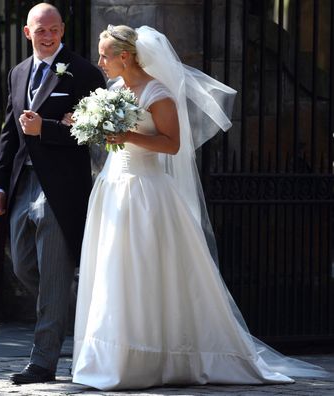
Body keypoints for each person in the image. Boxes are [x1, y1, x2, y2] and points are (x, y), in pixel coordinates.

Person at [70, 25, 327, 390]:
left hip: (146, 192)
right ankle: (113, 357)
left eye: (104, 55)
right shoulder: (114, 91)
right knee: (114, 269)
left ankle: (155, 359)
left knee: (146, 269)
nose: (100, 62)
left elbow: (172, 144)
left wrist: (127, 135)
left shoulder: (157, 93)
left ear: (124, 57)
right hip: (113, 188)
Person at [0, 3, 105, 385]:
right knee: (23, 265)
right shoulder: (18, 72)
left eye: (54, 29)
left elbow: (95, 133)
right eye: (41, 30)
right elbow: (10, 134)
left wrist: (48, 129)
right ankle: (79, 307)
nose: (49, 36)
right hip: (24, 186)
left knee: (53, 274)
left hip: (62, 188)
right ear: (27, 33)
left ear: (63, 30)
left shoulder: (84, 72)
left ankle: (43, 362)